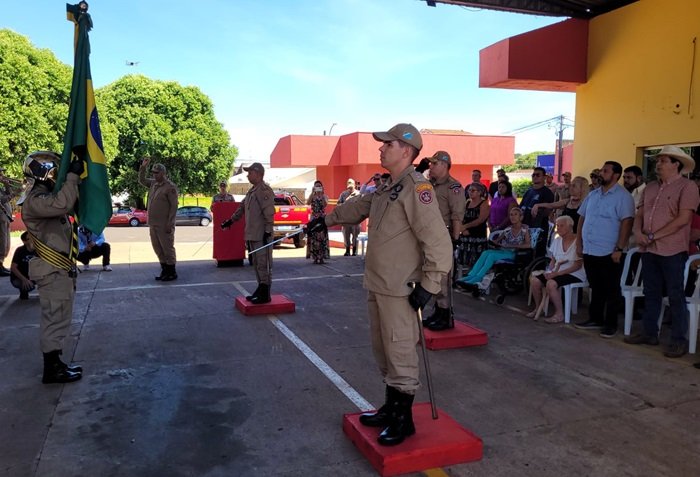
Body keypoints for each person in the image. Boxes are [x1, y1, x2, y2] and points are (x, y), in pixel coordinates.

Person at [314, 123, 452, 446]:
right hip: (379, 284)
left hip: (401, 288)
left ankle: (403, 420)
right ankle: (391, 408)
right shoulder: (388, 187)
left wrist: (430, 285)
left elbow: (439, 243)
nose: (381, 148)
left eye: (388, 144)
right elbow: (360, 207)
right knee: (383, 350)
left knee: (400, 351)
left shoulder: (417, 189)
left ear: (406, 150)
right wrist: (325, 220)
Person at [625, 146, 699, 358]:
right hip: (649, 249)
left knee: (675, 295)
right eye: (658, 160)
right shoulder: (650, 187)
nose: (658, 164)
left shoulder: (687, 187)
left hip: (672, 249)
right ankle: (649, 333)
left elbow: (683, 219)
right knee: (651, 292)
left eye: (663, 161)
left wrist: (652, 236)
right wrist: (637, 232)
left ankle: (678, 340)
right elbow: (640, 214)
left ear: (676, 164)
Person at [19, 150, 84, 383]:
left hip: (58, 269)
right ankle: (52, 369)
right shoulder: (35, 200)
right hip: (51, 269)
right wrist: (72, 178)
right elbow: (63, 204)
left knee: (60, 318)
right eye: (58, 170)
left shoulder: (44, 196)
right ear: (46, 173)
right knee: (54, 319)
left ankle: (56, 363)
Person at [574, 161, 635, 338]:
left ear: (615, 175)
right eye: (601, 170)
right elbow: (582, 218)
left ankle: (610, 324)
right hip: (590, 249)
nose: (601, 173)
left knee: (611, 289)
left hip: (609, 250)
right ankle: (595, 319)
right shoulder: (593, 195)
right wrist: (579, 242)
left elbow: (627, 223)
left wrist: (619, 248)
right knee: (595, 286)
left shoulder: (623, 197)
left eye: (605, 171)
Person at [221, 162, 275, 304]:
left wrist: (267, 231)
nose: (248, 175)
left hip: (262, 235)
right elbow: (242, 208)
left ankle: (265, 292)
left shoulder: (264, 191)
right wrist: (231, 221)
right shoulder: (252, 192)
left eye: (250, 173)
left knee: (263, 264)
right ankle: (261, 288)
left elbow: (269, 213)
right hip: (252, 234)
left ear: (258, 174)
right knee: (256, 264)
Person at [424, 150, 466, 331]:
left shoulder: (453, 187)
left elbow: (457, 215)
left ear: (444, 165)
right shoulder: (430, 184)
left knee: (443, 278)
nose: (431, 166)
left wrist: (455, 239)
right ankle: (438, 311)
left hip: (444, 237)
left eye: (434, 163)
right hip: (429, 237)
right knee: (432, 276)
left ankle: (445, 315)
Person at [527, 215, 586, 323]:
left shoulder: (578, 241)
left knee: (551, 283)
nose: (558, 228)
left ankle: (559, 314)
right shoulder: (557, 240)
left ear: (570, 227)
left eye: (561, 226)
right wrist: (549, 272)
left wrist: (556, 274)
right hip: (557, 271)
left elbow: (577, 265)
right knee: (535, 281)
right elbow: (553, 260)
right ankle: (538, 308)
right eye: (557, 226)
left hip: (574, 273)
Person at [456, 207, 531, 288]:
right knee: (485, 252)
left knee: (492, 256)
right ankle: (471, 275)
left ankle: (478, 277)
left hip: (515, 253)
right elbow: (497, 241)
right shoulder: (508, 229)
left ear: (521, 217)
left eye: (515, 214)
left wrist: (512, 245)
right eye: (511, 215)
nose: (513, 217)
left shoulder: (524, 230)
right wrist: (493, 242)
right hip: (504, 250)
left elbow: (528, 245)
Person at [138, 158, 178, 281]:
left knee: (167, 248)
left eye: (157, 173)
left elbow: (174, 206)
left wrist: (170, 222)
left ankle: (171, 272)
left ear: (163, 173)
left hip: (164, 224)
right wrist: (143, 167)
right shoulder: (153, 184)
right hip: (153, 224)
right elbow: (142, 180)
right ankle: (164, 270)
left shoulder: (170, 187)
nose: (154, 175)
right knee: (157, 248)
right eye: (153, 172)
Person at [459, 182, 490, 271]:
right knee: (465, 259)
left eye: (473, 190)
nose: (470, 192)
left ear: (479, 192)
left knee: (477, 260)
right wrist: (462, 228)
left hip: (477, 235)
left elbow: (481, 220)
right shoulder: (467, 203)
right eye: (469, 190)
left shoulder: (484, 203)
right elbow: (461, 217)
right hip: (466, 235)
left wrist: (465, 226)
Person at [306, 180, 329, 264]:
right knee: (314, 237)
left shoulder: (325, 196)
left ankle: (322, 257)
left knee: (322, 237)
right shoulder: (312, 196)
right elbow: (308, 203)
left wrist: (321, 194)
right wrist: (312, 193)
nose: (318, 187)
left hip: (322, 218)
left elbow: (325, 204)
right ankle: (315, 257)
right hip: (314, 218)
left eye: (319, 186)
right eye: (316, 186)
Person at [10, 231, 36, 300]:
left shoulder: (38, 250)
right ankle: (23, 291)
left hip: (34, 275)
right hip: (20, 277)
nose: (32, 240)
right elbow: (13, 268)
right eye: (29, 238)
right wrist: (24, 280)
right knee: (27, 287)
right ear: (24, 242)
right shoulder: (19, 250)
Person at [337, 178, 361, 256]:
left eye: (351, 184)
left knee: (355, 235)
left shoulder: (358, 194)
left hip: (355, 218)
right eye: (348, 183)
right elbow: (338, 204)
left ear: (354, 185)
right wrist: (346, 201)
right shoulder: (343, 194)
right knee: (346, 234)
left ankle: (354, 250)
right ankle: (347, 250)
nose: (350, 186)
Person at [0, 166, 15, 276]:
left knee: (6, 242)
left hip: (5, 218)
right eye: (0, 173)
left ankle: (1, 264)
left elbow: (7, 194)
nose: (2, 175)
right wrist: (14, 194)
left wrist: (7, 185)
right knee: (2, 241)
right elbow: (3, 200)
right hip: (1, 218)